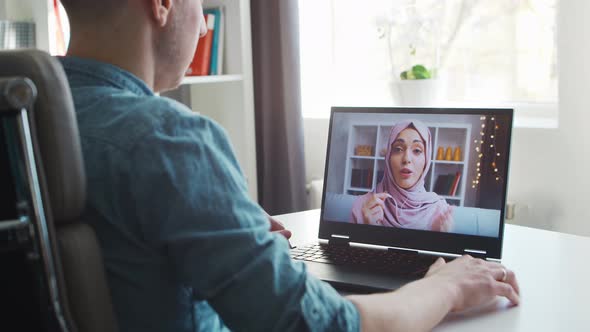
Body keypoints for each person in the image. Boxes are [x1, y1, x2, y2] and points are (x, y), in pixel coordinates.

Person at [56, 0, 520, 331]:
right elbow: (320, 325)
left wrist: (226, 231)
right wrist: (447, 288)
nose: (201, 28)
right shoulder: (168, 139)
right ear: (162, 4)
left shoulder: (21, 116)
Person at [351, 120, 454, 232]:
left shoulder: (440, 211)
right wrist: (369, 230)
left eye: (417, 150)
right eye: (398, 149)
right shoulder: (363, 205)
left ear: (427, 160)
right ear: (389, 157)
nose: (406, 159)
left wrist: (440, 239)